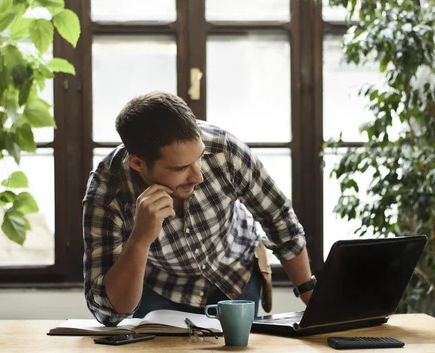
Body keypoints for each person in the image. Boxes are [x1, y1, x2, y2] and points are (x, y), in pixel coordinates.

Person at [82, 91, 314, 326]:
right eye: (180, 168)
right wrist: (139, 240)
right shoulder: (108, 192)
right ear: (138, 163)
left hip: (235, 274)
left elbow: (278, 219)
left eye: (199, 158)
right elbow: (108, 312)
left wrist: (309, 294)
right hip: (161, 289)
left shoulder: (225, 150)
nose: (198, 177)